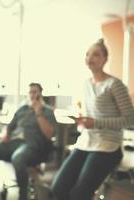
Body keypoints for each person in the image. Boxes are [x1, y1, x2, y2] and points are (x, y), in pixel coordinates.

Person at [51, 39, 134, 200]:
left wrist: (95, 122)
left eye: (96, 54)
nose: (90, 58)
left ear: (104, 59)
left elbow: (130, 119)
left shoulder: (114, 85)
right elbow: (92, 114)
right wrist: (83, 121)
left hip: (108, 146)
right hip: (86, 142)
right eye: (87, 54)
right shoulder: (85, 84)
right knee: (58, 188)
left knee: (79, 194)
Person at [0, 83, 57, 200]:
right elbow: (10, 126)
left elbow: (49, 135)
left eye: (35, 92)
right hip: (13, 142)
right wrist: (6, 133)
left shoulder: (48, 111)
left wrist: (38, 112)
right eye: (30, 92)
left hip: (32, 145)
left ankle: (23, 196)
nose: (32, 94)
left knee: (17, 158)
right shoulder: (22, 109)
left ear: (41, 93)